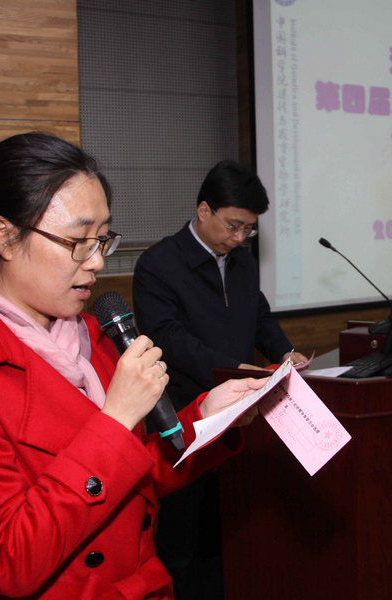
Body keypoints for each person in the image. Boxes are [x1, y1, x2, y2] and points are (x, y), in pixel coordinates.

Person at [0, 133, 267, 600]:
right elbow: (9, 558)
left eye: (102, 239)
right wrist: (116, 420)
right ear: (4, 236)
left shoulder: (93, 334)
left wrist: (205, 418)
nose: (97, 261)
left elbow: (136, 476)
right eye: (77, 241)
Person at [132, 160, 306, 599]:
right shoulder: (158, 264)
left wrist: (284, 351)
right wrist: (231, 368)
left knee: (227, 533)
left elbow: (259, 315)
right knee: (182, 541)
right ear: (204, 210)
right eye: (233, 226)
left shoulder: (241, 262)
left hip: (238, 413)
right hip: (183, 421)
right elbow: (168, 338)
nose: (240, 237)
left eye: (249, 229)